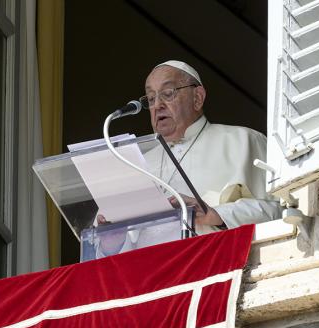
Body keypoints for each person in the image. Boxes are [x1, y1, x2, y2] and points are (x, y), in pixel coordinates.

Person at [97, 60, 281, 255]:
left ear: (198, 97)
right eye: (151, 98)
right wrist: (113, 243)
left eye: (168, 94)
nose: (157, 105)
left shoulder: (244, 141)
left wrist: (217, 215)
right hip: (149, 278)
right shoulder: (136, 164)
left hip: (216, 266)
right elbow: (106, 252)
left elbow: (280, 211)